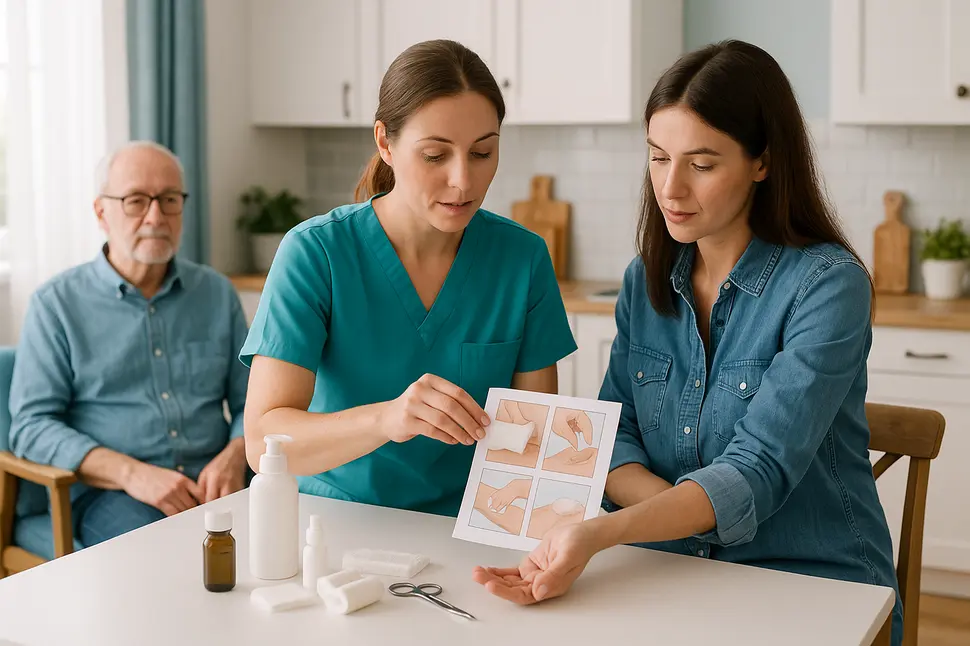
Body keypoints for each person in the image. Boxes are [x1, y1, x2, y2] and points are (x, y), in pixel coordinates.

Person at [473, 40, 903, 645]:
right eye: (657, 157)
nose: (669, 188)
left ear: (762, 162)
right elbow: (613, 434)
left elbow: (756, 471)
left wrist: (604, 531)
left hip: (809, 584)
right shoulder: (642, 278)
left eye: (701, 164)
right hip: (666, 568)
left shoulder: (828, 286)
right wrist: (678, 517)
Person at [239, 39, 576, 517]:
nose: (463, 181)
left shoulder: (522, 259)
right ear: (385, 143)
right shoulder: (316, 254)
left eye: (482, 153)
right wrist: (388, 418)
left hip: (470, 525)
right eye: (436, 155)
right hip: (335, 523)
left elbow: (531, 445)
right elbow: (262, 443)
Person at [9, 141, 250, 550]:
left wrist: (236, 452)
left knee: (300, 526)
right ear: (102, 212)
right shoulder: (56, 304)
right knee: (170, 557)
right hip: (112, 494)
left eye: (169, 200)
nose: (156, 216)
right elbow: (30, 426)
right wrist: (133, 474)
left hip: (214, 479)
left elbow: (253, 401)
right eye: (136, 200)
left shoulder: (215, 293)